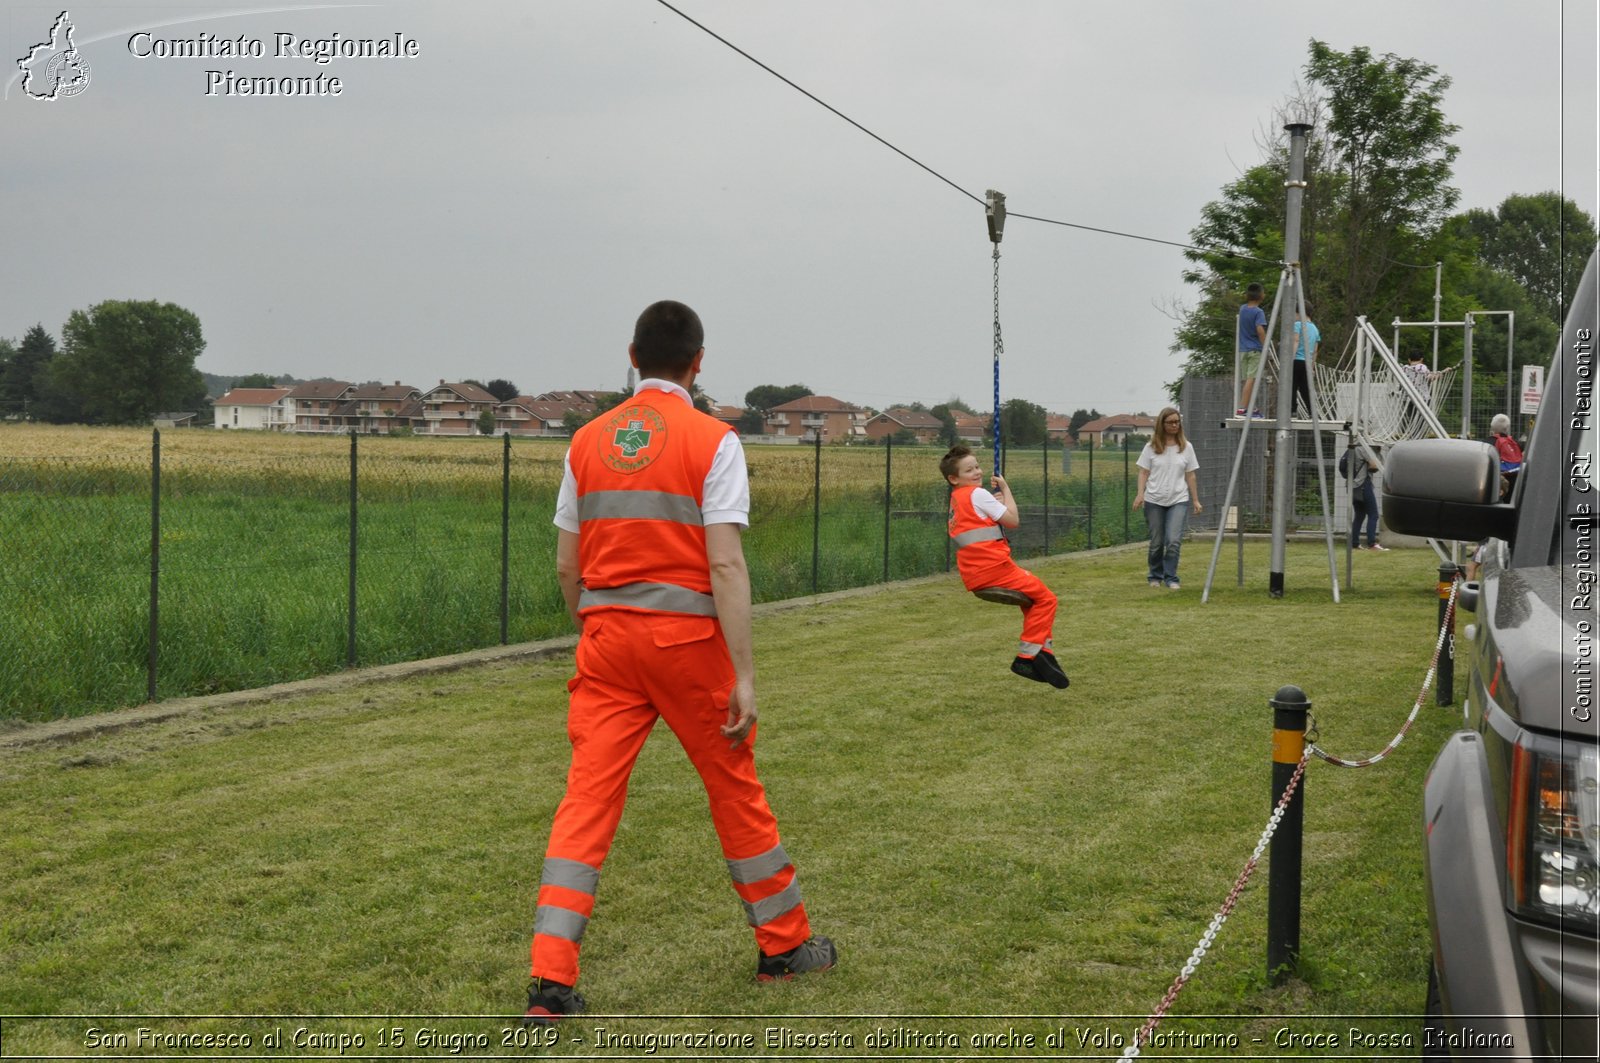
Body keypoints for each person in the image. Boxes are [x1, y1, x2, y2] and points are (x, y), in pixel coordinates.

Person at [523, 301, 835, 1024]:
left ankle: (550, 982)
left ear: (631, 354)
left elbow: (568, 566)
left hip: (606, 643)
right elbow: (725, 563)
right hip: (689, 647)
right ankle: (783, 947)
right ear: (699, 362)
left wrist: (596, 626)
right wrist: (746, 673)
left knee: (586, 803)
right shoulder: (714, 439)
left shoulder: (587, 442)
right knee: (733, 787)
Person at [941, 445, 1069, 688]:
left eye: (977, 466)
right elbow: (1013, 521)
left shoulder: (957, 500)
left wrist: (996, 503)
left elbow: (980, 523)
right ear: (953, 478)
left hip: (974, 574)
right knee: (1047, 599)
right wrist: (1007, 491)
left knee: (1032, 600)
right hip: (996, 569)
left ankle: (1045, 654)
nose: (977, 472)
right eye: (969, 470)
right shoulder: (978, 494)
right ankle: (1027, 657)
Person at [1133, 407, 1203, 589]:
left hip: (1178, 499)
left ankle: (1171, 577)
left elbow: (1191, 475)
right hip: (1154, 499)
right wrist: (1140, 494)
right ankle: (1155, 575)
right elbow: (1143, 472)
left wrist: (1195, 500)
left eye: (1177, 422)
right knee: (1157, 542)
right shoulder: (1151, 448)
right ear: (1162, 424)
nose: (1174, 425)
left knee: (1173, 540)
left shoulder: (1187, 447)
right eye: (1170, 422)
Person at [1342, 444, 1388, 550]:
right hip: (1363, 484)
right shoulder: (1364, 449)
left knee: (1360, 515)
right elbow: (1374, 466)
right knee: (1373, 514)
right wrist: (1377, 453)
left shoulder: (1355, 449)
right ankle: (1372, 544)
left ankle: (1354, 543)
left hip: (1352, 487)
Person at [1237, 283, 1268, 417]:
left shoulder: (1242, 309)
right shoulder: (1258, 312)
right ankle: (1242, 408)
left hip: (1243, 349)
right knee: (1252, 379)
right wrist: (1266, 345)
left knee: (1247, 380)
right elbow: (1260, 330)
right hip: (1255, 349)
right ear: (1261, 295)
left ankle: (1251, 408)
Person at [1291, 305, 1320, 419]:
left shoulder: (1297, 325)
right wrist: (1312, 367)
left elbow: (1296, 340)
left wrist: (1290, 359)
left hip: (1296, 360)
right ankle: (1312, 412)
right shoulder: (1315, 329)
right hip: (1307, 363)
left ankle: (1292, 410)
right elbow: (1315, 351)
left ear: (1299, 313)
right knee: (1305, 389)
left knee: (1291, 386)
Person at [1490, 413, 1524, 501]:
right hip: (1514, 481)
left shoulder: (1487, 443)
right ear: (1507, 428)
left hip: (1498, 482)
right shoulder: (1515, 443)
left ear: (1492, 427)